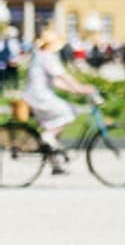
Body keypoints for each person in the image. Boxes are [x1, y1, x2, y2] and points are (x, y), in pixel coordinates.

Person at [23, 30, 98, 174]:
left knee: (54, 125)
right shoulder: (48, 56)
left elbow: (56, 81)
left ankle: (56, 164)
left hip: (36, 95)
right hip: (40, 96)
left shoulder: (40, 55)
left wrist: (74, 89)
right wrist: (81, 88)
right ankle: (47, 137)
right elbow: (62, 76)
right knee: (70, 112)